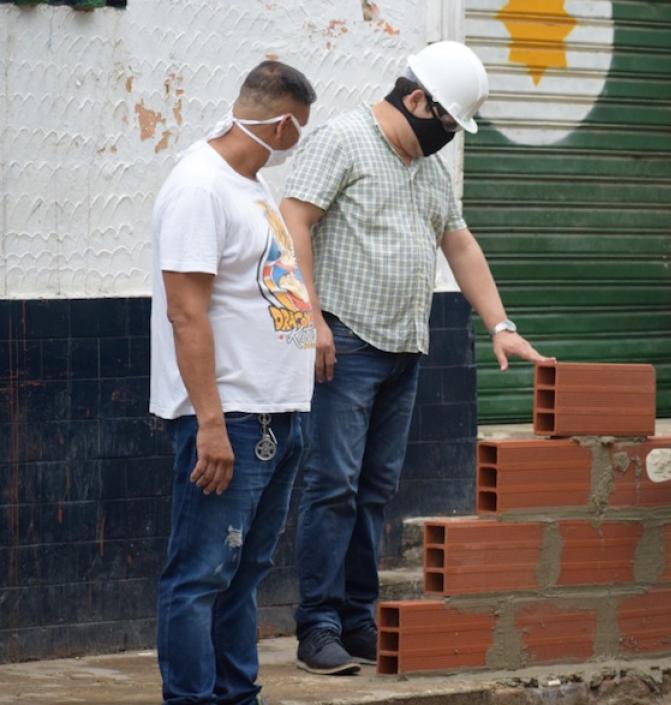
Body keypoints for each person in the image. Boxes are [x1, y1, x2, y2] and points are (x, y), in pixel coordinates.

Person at [280, 40, 548, 675]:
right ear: (417, 99)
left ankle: (356, 619)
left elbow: (459, 244)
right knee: (333, 487)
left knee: (372, 490)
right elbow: (293, 221)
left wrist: (500, 325)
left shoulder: (429, 170)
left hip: (405, 347)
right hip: (344, 341)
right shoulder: (344, 139)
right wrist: (308, 316)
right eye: (447, 123)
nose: (448, 136)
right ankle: (316, 626)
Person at [149, 61, 317, 705]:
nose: (295, 142)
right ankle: (192, 699)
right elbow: (186, 312)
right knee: (199, 575)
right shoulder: (199, 187)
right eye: (298, 130)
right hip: (231, 419)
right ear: (281, 123)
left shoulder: (248, 183)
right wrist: (210, 424)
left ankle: (236, 695)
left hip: (276, 412)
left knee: (244, 574)